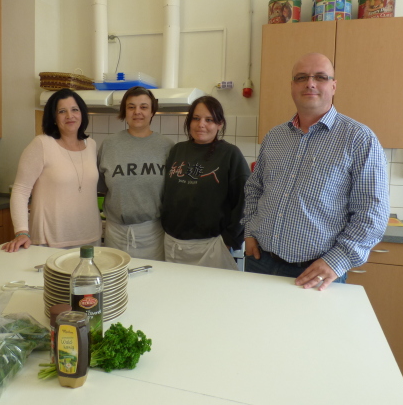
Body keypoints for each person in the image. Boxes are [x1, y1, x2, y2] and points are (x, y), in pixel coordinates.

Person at [242, 52, 389, 290]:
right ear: (292, 86)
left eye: (320, 77)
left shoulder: (359, 139)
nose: (310, 83)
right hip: (260, 262)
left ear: (333, 85)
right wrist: (249, 231)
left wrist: (336, 261)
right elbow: (254, 189)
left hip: (316, 273)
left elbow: (371, 214)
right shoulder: (275, 137)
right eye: (301, 77)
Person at [2, 88, 101, 252]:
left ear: (82, 114)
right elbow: (20, 190)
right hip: (51, 240)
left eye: (75, 110)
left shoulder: (91, 144)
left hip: (90, 238)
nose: (70, 116)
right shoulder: (41, 144)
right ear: (54, 118)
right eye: (62, 111)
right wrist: (21, 231)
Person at [161, 96, 251, 270]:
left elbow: (246, 201)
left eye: (209, 120)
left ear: (220, 124)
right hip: (173, 243)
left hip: (211, 246)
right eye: (196, 118)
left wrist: (229, 239)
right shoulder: (177, 150)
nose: (201, 124)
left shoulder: (230, 154)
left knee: (210, 296)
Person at [97, 86, 173, 259]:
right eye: (131, 107)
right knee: (115, 282)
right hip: (115, 232)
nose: (137, 112)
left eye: (144, 107)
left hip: (153, 232)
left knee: (152, 281)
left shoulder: (167, 146)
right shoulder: (109, 145)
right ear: (124, 110)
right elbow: (102, 187)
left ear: (153, 111)